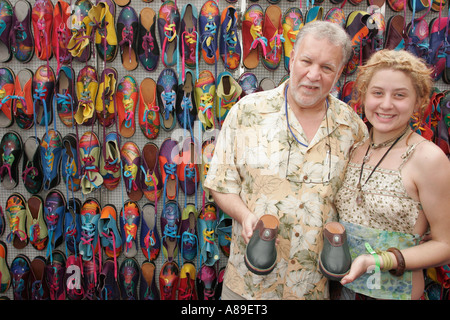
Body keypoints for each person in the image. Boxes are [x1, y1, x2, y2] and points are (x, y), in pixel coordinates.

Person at [203, 21, 368, 300]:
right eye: (306, 61)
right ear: (292, 59)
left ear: (339, 73)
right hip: (248, 285)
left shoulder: (352, 128)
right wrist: (244, 216)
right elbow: (221, 183)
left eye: (327, 68)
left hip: (313, 287)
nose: (313, 75)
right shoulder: (247, 112)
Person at [334, 49, 450, 300]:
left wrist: (380, 260)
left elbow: (445, 244)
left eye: (399, 95)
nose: (386, 104)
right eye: (377, 93)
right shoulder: (354, 149)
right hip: (342, 290)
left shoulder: (428, 158)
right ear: (364, 96)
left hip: (393, 294)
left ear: (418, 101)